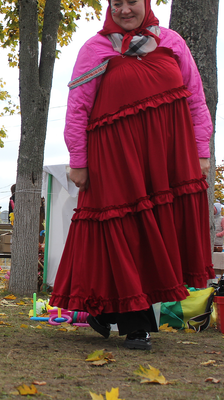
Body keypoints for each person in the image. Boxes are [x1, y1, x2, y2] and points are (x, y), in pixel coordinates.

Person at [49, 0, 214, 351]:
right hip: (114, 160)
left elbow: (196, 101)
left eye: (132, 2)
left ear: (146, 4)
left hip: (165, 161)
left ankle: (104, 310)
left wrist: (201, 152)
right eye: (117, 3)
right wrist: (79, 160)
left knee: (154, 237)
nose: (125, 10)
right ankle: (137, 326)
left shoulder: (172, 42)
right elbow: (78, 108)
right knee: (123, 233)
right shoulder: (95, 49)